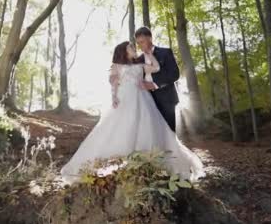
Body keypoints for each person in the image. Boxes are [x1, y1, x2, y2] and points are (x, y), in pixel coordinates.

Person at [60, 40, 203, 184]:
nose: (134, 48)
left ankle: (147, 163)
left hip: (142, 98)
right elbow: (113, 82)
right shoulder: (117, 65)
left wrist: (148, 54)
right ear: (124, 50)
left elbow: (156, 67)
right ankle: (115, 164)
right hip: (124, 98)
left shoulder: (140, 65)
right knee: (120, 126)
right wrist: (114, 97)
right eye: (130, 47)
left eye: (134, 47)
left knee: (146, 125)